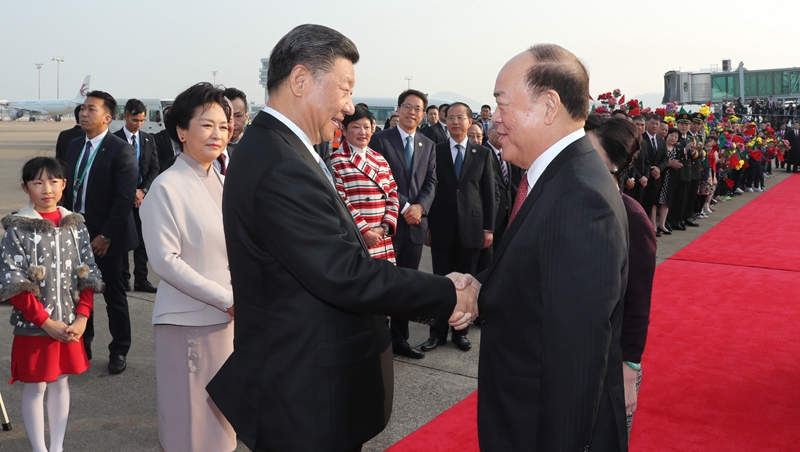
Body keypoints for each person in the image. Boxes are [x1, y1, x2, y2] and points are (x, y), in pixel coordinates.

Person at [206, 24, 477, 452]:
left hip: (306, 383)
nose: (349, 107)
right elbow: (345, 274)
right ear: (300, 80)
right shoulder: (279, 163)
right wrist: (448, 292)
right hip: (306, 395)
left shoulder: (282, 150)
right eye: (345, 88)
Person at [477, 44, 629, 451]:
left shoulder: (580, 196)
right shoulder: (556, 176)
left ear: (548, 105)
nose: (493, 118)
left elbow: (577, 356)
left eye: (501, 103)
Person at [139, 82, 236, 452]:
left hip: (226, 320)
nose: (218, 134)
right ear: (181, 130)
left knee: (220, 424)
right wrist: (224, 297)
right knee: (190, 426)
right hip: (188, 323)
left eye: (224, 126)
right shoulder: (166, 187)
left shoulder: (224, 182)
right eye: (207, 124)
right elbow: (165, 260)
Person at [1, 157, 103, 452]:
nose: (47, 189)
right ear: (25, 187)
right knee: (35, 386)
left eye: (54, 181)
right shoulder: (18, 230)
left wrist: (82, 318)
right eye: (38, 182)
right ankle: (39, 448)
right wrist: (45, 321)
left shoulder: (77, 226)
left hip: (71, 324)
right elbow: (13, 282)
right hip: (35, 326)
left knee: (61, 383)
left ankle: (56, 446)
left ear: (64, 185)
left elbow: (89, 273)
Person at [584, 115, 656, 443]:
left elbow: (638, 302)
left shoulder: (633, 217)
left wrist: (630, 369)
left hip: (611, 361)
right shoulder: (571, 204)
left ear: (614, 164)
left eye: (588, 152)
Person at [62, 91, 138, 374]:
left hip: (108, 238)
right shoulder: (72, 145)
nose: (83, 113)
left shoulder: (120, 149)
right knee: (81, 294)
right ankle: (83, 347)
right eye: (82, 108)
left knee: (114, 296)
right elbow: (66, 189)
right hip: (76, 235)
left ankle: (119, 350)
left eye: (91, 109)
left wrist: (106, 236)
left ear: (107, 117)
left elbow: (124, 197)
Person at [370, 89, 439, 360]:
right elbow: (377, 178)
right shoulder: (380, 140)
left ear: (423, 114)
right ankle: (378, 340)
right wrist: (406, 206)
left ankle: (400, 339)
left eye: (417, 108)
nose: (412, 112)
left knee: (406, 285)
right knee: (382, 283)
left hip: (415, 226)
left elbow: (432, 181)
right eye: (407, 106)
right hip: (387, 225)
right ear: (398, 110)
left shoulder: (427, 144)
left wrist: (420, 207)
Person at [423, 102, 496, 353]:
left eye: (460, 117)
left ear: (469, 121)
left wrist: (488, 228)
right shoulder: (436, 150)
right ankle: (437, 333)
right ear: (446, 121)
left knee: (466, 282)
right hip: (442, 227)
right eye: (450, 117)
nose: (455, 121)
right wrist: (429, 226)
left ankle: (461, 332)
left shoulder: (482, 153)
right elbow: (431, 188)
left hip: (472, 228)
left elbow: (489, 194)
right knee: (441, 281)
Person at [332, 105, 399, 263]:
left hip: (381, 237)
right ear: (344, 129)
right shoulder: (337, 160)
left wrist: (384, 227)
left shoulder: (380, 159)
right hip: (357, 237)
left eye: (367, 127)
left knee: (385, 283)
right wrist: (365, 232)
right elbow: (341, 202)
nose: (363, 132)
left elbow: (393, 194)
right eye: (356, 127)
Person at [113, 98, 159, 293]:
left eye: (141, 120)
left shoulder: (149, 139)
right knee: (123, 241)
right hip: (123, 198)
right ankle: (123, 279)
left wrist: (142, 191)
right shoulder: (114, 140)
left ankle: (142, 279)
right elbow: (112, 172)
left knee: (143, 241)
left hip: (143, 199)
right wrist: (130, 192)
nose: (138, 124)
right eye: (134, 120)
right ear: (125, 116)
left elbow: (155, 168)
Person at [657, 127, 682, 234]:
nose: (673, 138)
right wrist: (669, 163)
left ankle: (662, 224)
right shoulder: (662, 147)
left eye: (676, 137)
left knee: (667, 201)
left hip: (671, 177)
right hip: (661, 176)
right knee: (657, 200)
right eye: (671, 135)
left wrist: (676, 164)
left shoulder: (676, 149)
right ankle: (653, 224)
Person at [223, 87, 249, 156]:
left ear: (246, 118)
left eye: (238, 116)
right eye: (228, 116)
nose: (233, 123)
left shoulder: (256, 147)